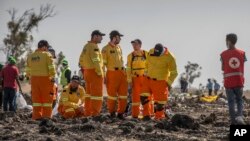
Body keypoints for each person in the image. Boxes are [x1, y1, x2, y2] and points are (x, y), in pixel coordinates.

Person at [140, 43, 178, 120]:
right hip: (148, 79)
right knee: (143, 97)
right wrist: (145, 71)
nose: (156, 55)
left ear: (162, 52)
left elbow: (174, 73)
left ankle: (159, 118)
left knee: (160, 103)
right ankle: (146, 116)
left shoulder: (170, 57)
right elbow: (147, 63)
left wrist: (168, 83)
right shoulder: (151, 51)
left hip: (160, 82)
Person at [26, 40, 56, 120]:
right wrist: (52, 76)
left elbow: (28, 70)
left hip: (34, 80)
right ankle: (46, 117)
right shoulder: (47, 55)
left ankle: (36, 116)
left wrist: (28, 77)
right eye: (46, 47)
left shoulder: (30, 56)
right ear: (44, 47)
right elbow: (51, 68)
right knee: (47, 100)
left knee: (36, 100)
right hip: (45, 80)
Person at [221, 33, 247, 125]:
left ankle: (233, 121)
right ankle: (239, 116)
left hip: (228, 82)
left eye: (226, 40)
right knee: (239, 100)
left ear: (228, 41)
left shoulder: (223, 54)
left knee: (231, 102)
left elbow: (222, 68)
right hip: (239, 81)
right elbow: (242, 63)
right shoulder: (242, 53)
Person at [102, 30, 128, 119]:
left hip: (122, 73)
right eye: (119, 37)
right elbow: (103, 64)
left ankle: (121, 113)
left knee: (123, 95)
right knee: (112, 96)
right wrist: (104, 76)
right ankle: (112, 113)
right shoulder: (105, 49)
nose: (120, 39)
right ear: (114, 37)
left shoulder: (119, 47)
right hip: (112, 73)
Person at [79, 30, 105, 117]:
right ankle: (95, 113)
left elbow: (81, 60)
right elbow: (96, 60)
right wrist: (99, 72)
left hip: (87, 72)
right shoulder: (94, 46)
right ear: (95, 36)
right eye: (100, 36)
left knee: (88, 94)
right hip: (95, 72)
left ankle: (87, 112)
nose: (101, 38)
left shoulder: (86, 46)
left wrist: (85, 67)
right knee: (97, 94)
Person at [126, 39, 153, 119]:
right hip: (135, 79)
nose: (134, 46)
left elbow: (151, 65)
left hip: (145, 79)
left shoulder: (146, 54)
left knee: (147, 97)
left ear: (140, 45)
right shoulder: (130, 56)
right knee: (135, 97)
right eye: (133, 44)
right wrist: (129, 80)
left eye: (136, 44)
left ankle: (148, 114)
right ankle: (135, 115)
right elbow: (128, 69)